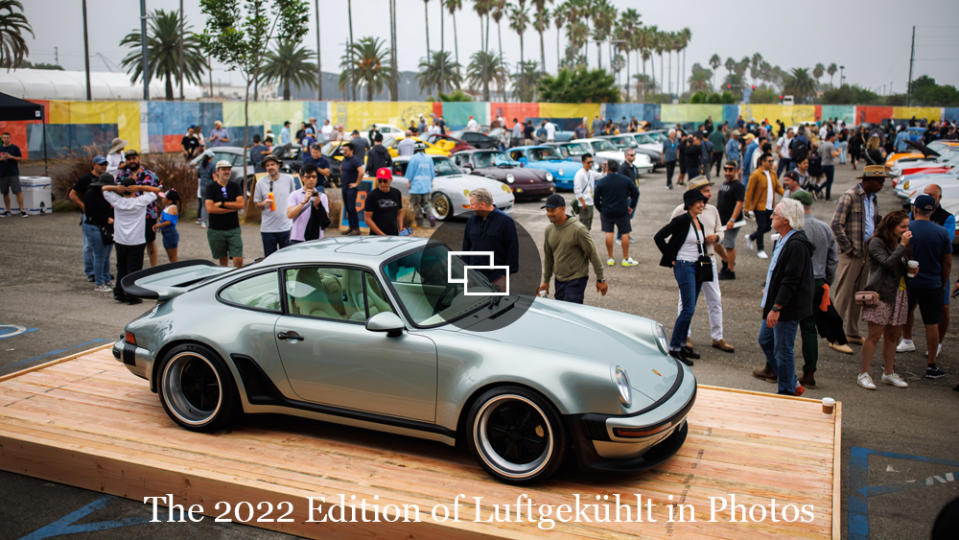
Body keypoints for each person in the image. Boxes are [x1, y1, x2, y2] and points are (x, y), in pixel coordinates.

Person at [751, 198, 813, 396]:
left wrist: (777, 307)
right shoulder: (782, 239)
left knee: (782, 349)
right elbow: (776, 272)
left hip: (786, 307)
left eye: (775, 214)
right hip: (774, 301)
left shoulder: (796, 244)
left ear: (786, 219)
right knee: (765, 340)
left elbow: (791, 280)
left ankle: (786, 390)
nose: (771, 217)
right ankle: (790, 381)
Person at [669, 177, 735, 353]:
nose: (710, 194)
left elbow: (720, 229)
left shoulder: (712, 210)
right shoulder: (680, 211)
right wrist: (673, 257)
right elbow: (670, 234)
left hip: (708, 259)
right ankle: (685, 336)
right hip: (689, 261)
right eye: (705, 191)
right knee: (686, 301)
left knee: (715, 299)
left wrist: (717, 238)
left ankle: (717, 336)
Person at [831, 165, 889, 345]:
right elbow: (836, 224)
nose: (882, 184)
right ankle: (834, 333)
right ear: (868, 180)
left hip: (866, 251)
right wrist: (848, 248)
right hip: (852, 252)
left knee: (860, 294)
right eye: (879, 181)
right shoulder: (850, 196)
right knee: (844, 294)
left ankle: (852, 331)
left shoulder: (873, 199)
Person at [653, 189, 711, 366]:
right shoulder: (682, 220)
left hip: (697, 266)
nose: (702, 205)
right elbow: (659, 237)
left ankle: (683, 344)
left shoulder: (697, 220)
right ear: (690, 204)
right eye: (698, 202)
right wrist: (671, 257)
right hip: (684, 266)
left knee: (691, 308)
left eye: (703, 202)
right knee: (688, 308)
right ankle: (675, 348)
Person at [856, 210, 912, 390]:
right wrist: (903, 246)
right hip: (881, 294)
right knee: (874, 335)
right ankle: (864, 374)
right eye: (902, 226)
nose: (906, 230)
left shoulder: (900, 243)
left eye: (907, 226)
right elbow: (887, 263)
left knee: (893, 335)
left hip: (900, 293)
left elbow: (900, 265)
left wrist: (910, 270)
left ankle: (888, 373)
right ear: (891, 226)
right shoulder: (876, 242)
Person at [899, 184, 956, 357]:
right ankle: (907, 340)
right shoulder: (915, 220)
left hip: (931, 274)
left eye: (933, 195)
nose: (931, 197)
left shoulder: (947, 218)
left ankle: (937, 344)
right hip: (928, 275)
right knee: (910, 310)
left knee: (943, 310)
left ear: (940, 197)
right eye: (928, 194)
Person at [537, 195, 607, 304]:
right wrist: (546, 281)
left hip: (576, 279)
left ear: (563, 209)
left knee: (570, 312)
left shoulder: (578, 229)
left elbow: (592, 254)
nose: (549, 214)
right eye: (547, 210)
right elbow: (548, 257)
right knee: (561, 312)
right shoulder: (549, 230)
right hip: (559, 279)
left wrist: (600, 279)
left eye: (552, 210)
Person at [101, 179, 162, 304]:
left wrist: (117, 188)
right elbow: (156, 190)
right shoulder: (140, 201)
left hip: (120, 239)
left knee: (121, 267)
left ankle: (119, 292)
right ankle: (131, 294)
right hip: (136, 239)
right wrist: (139, 187)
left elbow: (103, 189)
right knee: (133, 269)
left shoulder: (117, 201)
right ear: (134, 189)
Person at [462, 188, 518, 292]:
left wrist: (504, 275)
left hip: (496, 277)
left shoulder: (505, 222)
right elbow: (466, 246)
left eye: (472, 204)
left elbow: (512, 249)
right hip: (474, 276)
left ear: (482, 204)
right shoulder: (471, 221)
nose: (471, 207)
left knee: (498, 306)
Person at [116, 151, 163, 268]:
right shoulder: (122, 175)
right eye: (129, 159)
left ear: (138, 158)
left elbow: (158, 190)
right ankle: (134, 268)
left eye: (134, 158)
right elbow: (116, 190)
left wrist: (139, 187)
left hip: (148, 214)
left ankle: (154, 268)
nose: (131, 161)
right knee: (134, 244)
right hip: (129, 214)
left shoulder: (149, 174)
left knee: (150, 241)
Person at [69, 156, 109, 282]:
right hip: (89, 216)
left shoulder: (105, 179)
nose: (104, 166)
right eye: (101, 164)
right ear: (94, 165)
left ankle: (102, 273)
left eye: (105, 164)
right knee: (88, 246)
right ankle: (91, 272)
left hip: (103, 215)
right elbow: (72, 194)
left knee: (104, 244)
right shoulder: (86, 178)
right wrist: (83, 206)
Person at [594, 160, 639, 267]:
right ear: (618, 168)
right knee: (624, 233)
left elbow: (596, 198)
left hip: (607, 211)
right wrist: (631, 206)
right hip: (622, 210)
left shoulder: (602, 181)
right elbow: (636, 192)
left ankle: (610, 258)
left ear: (608, 169)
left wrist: (601, 209)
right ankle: (626, 258)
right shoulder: (625, 180)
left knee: (609, 233)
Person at [204, 160, 245, 267]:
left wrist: (222, 203)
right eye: (223, 169)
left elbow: (240, 204)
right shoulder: (210, 187)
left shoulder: (235, 186)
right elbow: (210, 208)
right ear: (217, 171)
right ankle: (226, 280)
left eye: (228, 169)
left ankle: (238, 278)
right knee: (222, 259)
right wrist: (231, 208)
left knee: (238, 258)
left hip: (233, 228)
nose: (227, 171)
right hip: (216, 229)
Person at [253, 154, 294, 256]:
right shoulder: (260, 183)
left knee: (287, 259)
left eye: (272, 164)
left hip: (286, 227)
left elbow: (293, 199)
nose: (270, 167)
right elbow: (256, 204)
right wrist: (263, 203)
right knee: (270, 260)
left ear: (278, 165)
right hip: (268, 229)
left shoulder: (288, 179)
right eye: (267, 165)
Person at [744, 153, 783, 259]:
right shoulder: (756, 174)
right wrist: (747, 207)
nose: (771, 163)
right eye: (769, 161)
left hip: (770, 205)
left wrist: (787, 194)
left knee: (768, 227)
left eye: (772, 161)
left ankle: (751, 237)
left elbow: (778, 187)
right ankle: (760, 249)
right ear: (762, 162)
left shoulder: (773, 174)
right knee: (761, 227)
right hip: (759, 206)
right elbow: (749, 191)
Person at [81, 173, 115, 292]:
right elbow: (90, 213)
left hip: (107, 227)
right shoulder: (91, 194)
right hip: (93, 227)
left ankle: (106, 278)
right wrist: (106, 219)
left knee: (106, 255)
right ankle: (99, 283)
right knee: (99, 255)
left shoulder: (109, 194)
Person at [287, 164, 330, 243]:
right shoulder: (294, 194)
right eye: (308, 177)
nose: (311, 179)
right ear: (303, 178)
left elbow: (325, 221)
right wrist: (303, 202)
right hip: (297, 237)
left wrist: (318, 206)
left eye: (314, 177)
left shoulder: (322, 196)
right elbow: (290, 215)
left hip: (316, 238)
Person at [717, 161, 744, 280]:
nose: (727, 172)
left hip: (732, 222)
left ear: (736, 171)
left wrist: (732, 220)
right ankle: (727, 261)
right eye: (726, 169)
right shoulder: (724, 184)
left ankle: (730, 271)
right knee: (715, 243)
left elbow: (739, 203)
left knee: (728, 244)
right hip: (721, 221)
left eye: (730, 170)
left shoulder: (738, 186)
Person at [364, 167, 403, 236]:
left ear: (390, 180)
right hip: (376, 236)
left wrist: (401, 228)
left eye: (385, 180)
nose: (382, 183)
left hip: (394, 235)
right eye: (379, 181)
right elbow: (367, 219)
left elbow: (399, 213)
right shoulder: (371, 196)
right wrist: (382, 235)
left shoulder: (397, 193)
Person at [406, 146, 435, 227]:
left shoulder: (413, 159)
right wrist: (431, 182)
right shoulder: (429, 158)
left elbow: (410, 173)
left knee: (416, 205)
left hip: (416, 187)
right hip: (426, 186)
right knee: (427, 204)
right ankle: (431, 217)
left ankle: (420, 223)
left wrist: (409, 183)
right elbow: (432, 173)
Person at [339, 142, 364, 235]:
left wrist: (356, 183)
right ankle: (351, 227)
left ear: (351, 150)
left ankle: (356, 229)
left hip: (351, 188)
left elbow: (361, 171)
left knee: (352, 208)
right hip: (344, 186)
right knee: (348, 209)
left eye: (346, 150)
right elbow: (342, 168)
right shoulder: (344, 159)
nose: (344, 152)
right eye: (343, 150)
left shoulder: (354, 160)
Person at [0, 132, 25, 217]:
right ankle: (8, 211)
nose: (5, 139)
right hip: (2, 173)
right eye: (4, 137)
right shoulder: (0, 148)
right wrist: (2, 158)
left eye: (7, 137)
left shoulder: (15, 148)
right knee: (5, 193)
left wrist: (11, 157)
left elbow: (21, 158)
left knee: (17, 191)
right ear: (2, 139)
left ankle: (22, 210)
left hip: (13, 173)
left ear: (10, 138)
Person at [153, 189, 180, 263]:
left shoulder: (172, 208)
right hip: (166, 234)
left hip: (170, 234)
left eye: (164, 198)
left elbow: (168, 222)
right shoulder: (167, 207)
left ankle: (176, 270)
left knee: (173, 257)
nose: (162, 199)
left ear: (170, 201)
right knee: (171, 257)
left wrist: (158, 225)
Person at [573, 153, 599, 230]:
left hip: (590, 202)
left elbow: (601, 176)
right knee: (583, 226)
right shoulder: (579, 174)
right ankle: (581, 241)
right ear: (583, 162)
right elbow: (577, 190)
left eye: (591, 162)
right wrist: (582, 202)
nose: (590, 164)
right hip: (584, 203)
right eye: (588, 162)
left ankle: (585, 241)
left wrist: (604, 169)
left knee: (588, 225)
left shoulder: (591, 173)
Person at [817, 132, 840, 200]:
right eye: (834, 137)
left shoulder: (822, 144)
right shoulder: (831, 145)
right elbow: (833, 154)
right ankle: (826, 195)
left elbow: (819, 154)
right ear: (831, 137)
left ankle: (818, 189)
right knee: (830, 180)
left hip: (823, 163)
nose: (835, 138)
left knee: (828, 180)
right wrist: (839, 152)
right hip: (829, 164)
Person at [195, 150, 215, 228]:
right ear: (210, 157)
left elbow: (199, 175)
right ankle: (211, 222)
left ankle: (203, 222)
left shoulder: (201, 165)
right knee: (211, 203)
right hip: (210, 186)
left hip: (202, 186)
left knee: (203, 204)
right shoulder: (212, 165)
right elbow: (214, 176)